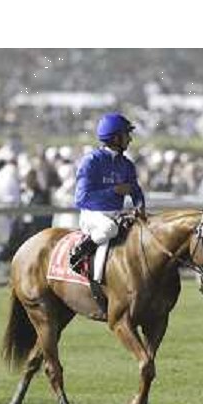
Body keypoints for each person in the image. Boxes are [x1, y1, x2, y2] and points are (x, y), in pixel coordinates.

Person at [69, 113, 146, 288]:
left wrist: (140, 207)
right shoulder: (91, 161)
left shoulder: (126, 164)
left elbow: (136, 191)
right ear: (115, 138)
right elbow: (81, 198)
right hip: (92, 215)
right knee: (109, 228)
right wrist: (114, 191)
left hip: (117, 214)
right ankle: (81, 250)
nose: (130, 139)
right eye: (127, 134)